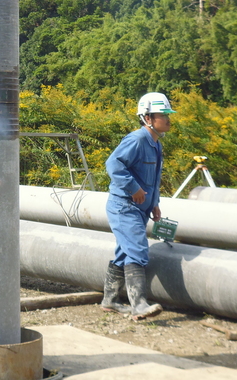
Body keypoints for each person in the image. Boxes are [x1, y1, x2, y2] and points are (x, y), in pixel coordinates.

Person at [101, 92, 175, 321]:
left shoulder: (155, 144)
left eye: (168, 114)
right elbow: (113, 164)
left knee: (125, 252)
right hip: (124, 206)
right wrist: (133, 188)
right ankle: (139, 304)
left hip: (140, 208)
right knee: (137, 250)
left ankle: (110, 301)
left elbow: (152, 178)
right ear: (147, 118)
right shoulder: (137, 139)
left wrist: (155, 204)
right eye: (162, 115)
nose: (168, 119)